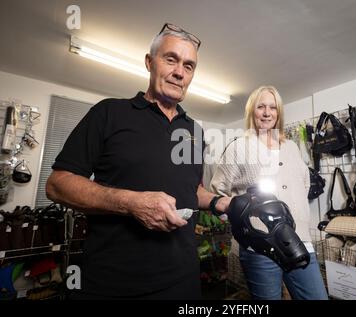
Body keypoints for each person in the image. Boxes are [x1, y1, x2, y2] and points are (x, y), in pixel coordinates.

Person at [46, 23, 231, 300]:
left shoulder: (195, 131)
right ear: (149, 62)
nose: (179, 72)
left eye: (189, 66)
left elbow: (191, 189)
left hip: (183, 281)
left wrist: (219, 202)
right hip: (113, 284)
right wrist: (131, 203)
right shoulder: (109, 113)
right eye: (171, 59)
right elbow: (57, 185)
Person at [210, 85, 328, 300]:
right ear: (251, 112)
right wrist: (243, 223)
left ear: (279, 112)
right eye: (261, 107)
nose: (267, 113)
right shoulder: (238, 148)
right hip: (259, 248)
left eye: (273, 107)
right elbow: (218, 191)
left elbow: (303, 183)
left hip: (298, 240)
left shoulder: (291, 147)